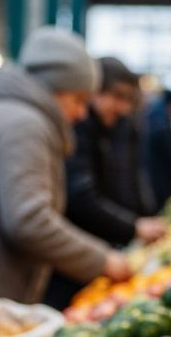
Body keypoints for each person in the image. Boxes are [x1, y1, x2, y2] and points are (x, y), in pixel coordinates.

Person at [0, 27, 131, 307]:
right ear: (54, 89)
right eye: (78, 100)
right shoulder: (25, 125)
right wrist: (102, 260)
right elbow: (28, 221)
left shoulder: (0, 111)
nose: (82, 113)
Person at [45, 57, 162, 309]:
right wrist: (133, 226)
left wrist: (141, 218)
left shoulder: (120, 127)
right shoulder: (77, 128)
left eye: (128, 99)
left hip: (105, 248)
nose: (123, 107)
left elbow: (131, 179)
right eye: (116, 97)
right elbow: (80, 196)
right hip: (76, 254)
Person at [144, 90, 171, 206]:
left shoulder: (154, 113)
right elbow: (169, 150)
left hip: (153, 171)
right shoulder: (162, 120)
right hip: (162, 174)